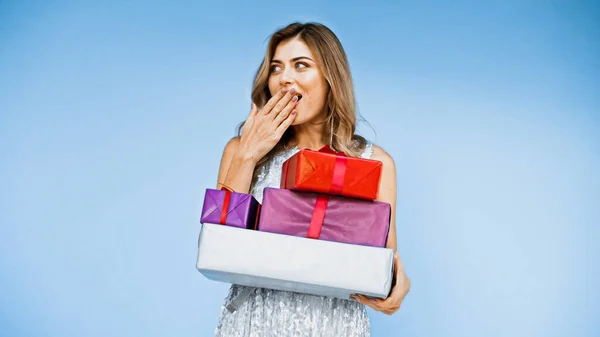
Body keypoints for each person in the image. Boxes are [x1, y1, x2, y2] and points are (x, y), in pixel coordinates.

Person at [213, 22, 411, 336]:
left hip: (335, 325)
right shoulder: (240, 150)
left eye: (301, 66)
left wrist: (395, 286)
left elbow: (383, 264)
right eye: (276, 68)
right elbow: (218, 246)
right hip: (254, 324)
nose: (284, 78)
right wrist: (249, 155)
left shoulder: (375, 162)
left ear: (331, 79)